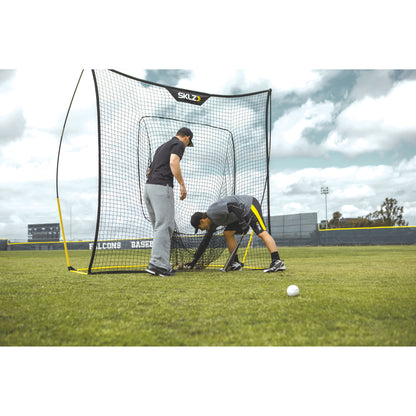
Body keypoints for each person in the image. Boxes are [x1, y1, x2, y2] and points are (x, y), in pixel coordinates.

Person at [186, 195, 285, 272]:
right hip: (239, 215)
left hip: (249, 206)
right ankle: (236, 263)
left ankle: (277, 261)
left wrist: (242, 222)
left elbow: (232, 205)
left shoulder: (213, 212)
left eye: (200, 228)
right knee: (227, 233)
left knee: (260, 232)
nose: (202, 230)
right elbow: (205, 242)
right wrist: (194, 262)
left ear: (202, 221)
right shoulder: (212, 223)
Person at [144, 127, 194, 276]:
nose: (186, 146)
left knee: (159, 227)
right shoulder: (178, 144)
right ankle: (158, 265)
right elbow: (173, 162)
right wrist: (182, 185)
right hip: (161, 187)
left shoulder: (162, 147)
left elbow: (148, 171)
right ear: (187, 137)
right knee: (165, 225)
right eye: (188, 143)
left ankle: (159, 263)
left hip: (149, 188)